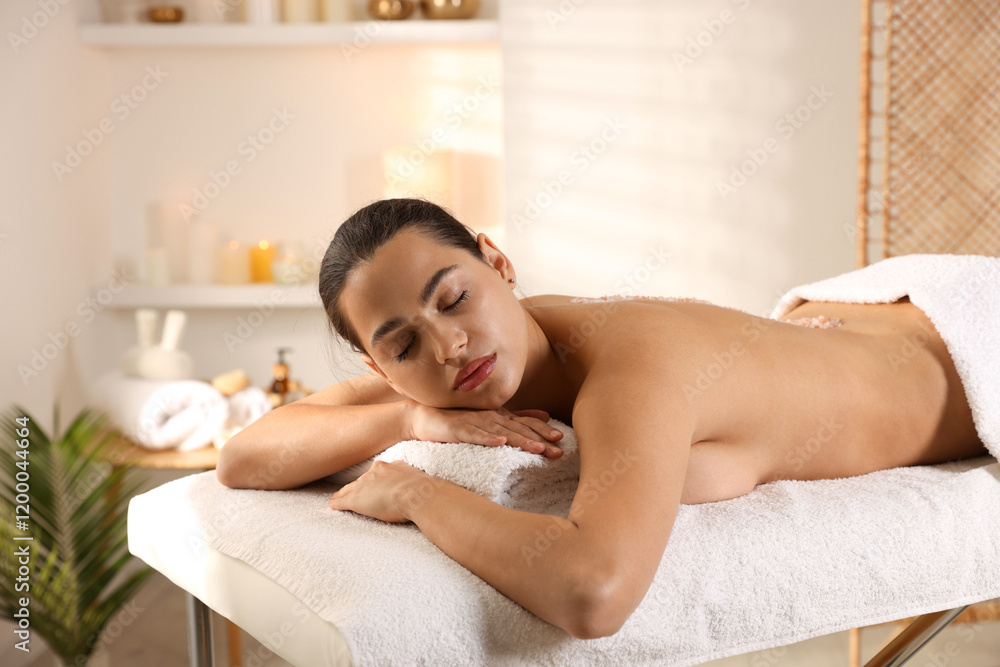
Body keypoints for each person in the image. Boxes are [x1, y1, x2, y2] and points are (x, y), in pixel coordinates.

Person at [215, 197, 989, 640]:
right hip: (849, 325)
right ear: (379, 369)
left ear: (497, 262)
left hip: (963, 334)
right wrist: (408, 423)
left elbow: (593, 591)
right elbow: (243, 456)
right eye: (404, 345)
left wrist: (416, 493)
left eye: (453, 298)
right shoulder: (455, 376)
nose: (448, 344)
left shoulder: (629, 365)